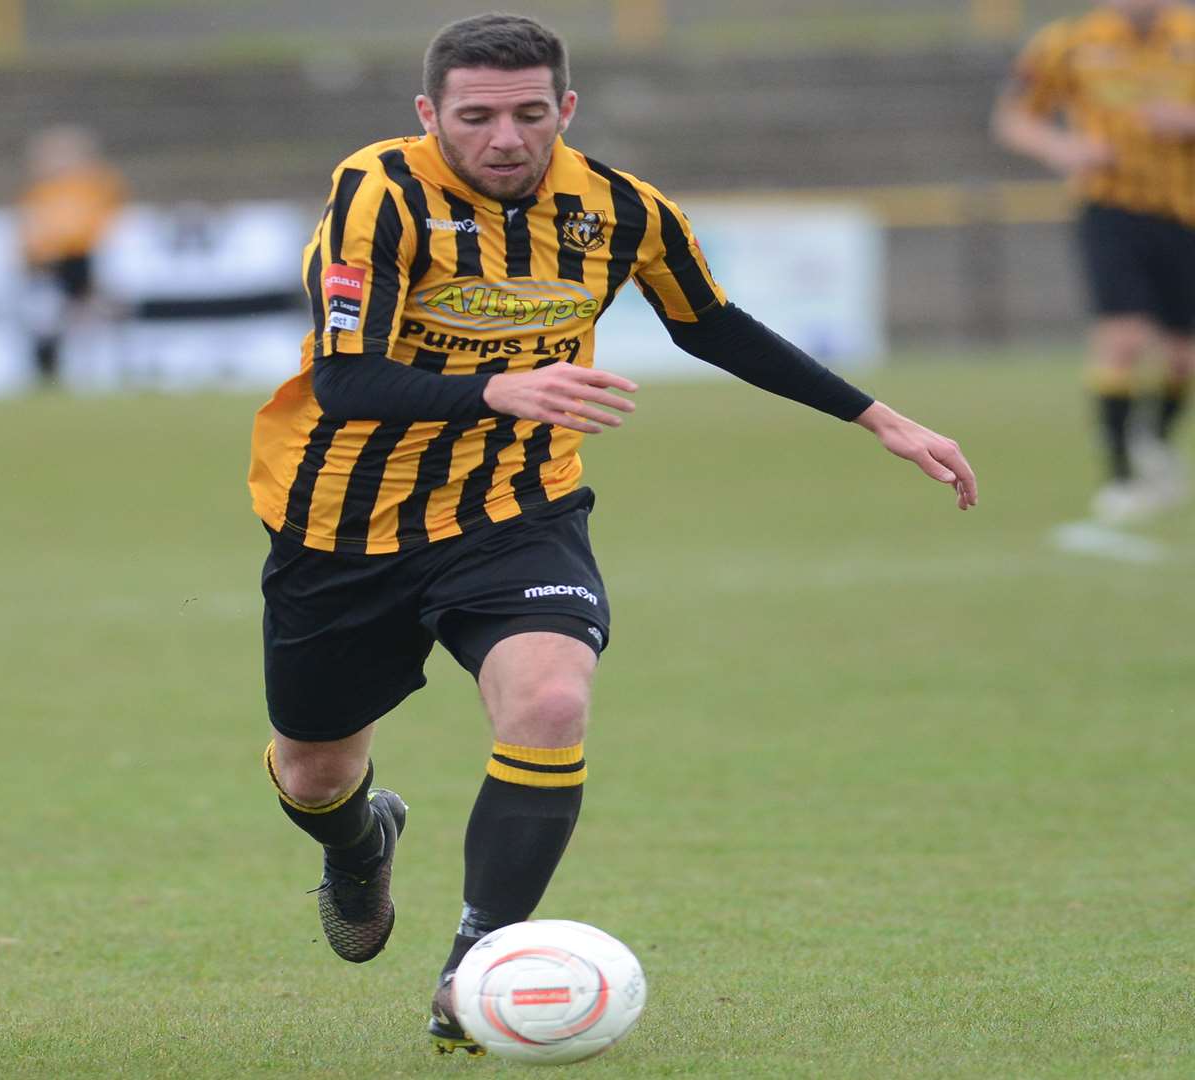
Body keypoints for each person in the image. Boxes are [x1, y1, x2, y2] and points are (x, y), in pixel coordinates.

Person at [246, 12, 979, 1054]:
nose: (505, 137)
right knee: (314, 770)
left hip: (515, 514)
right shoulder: (380, 194)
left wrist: (881, 417)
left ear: (567, 109)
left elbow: (708, 321)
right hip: (341, 524)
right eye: (478, 117)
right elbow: (345, 377)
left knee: (550, 698)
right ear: (430, 115)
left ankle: (477, 968)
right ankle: (359, 845)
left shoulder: (620, 209)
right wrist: (504, 384)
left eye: (530, 114)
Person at [993, 0, 1195, 523]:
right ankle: (1121, 477)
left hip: (1185, 213)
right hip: (1111, 209)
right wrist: (1062, 149)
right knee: (1122, 338)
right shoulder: (1069, 43)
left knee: (1182, 359)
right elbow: (1012, 119)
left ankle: (1153, 437)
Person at [17, 124, 125, 383]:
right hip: (47, 264)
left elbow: (106, 223)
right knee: (47, 319)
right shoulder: (39, 192)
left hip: (82, 259)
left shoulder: (96, 186)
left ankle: (93, 371)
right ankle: (49, 372)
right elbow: (30, 229)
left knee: (88, 318)